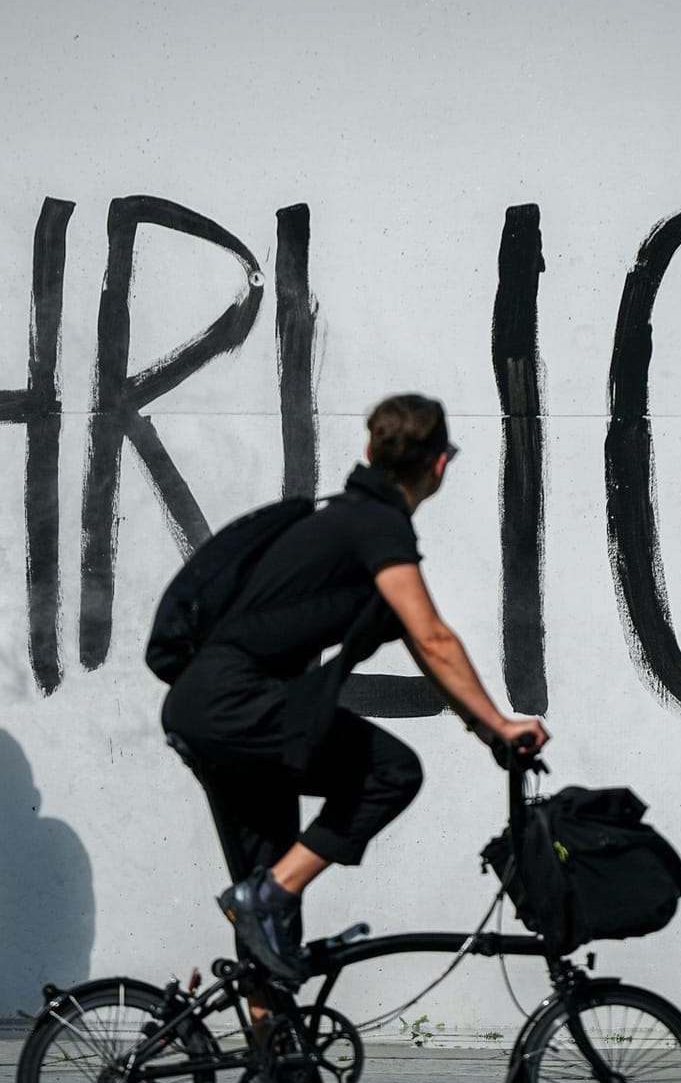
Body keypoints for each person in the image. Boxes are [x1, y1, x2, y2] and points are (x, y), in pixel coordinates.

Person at [161, 393, 549, 990]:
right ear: (439, 464)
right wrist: (502, 725)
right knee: (391, 772)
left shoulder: (342, 521)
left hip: (210, 708)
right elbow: (435, 639)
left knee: (270, 934)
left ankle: (271, 1077)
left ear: (369, 449)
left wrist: (484, 732)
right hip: (237, 706)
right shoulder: (376, 526)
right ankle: (268, 895)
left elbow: (423, 651)